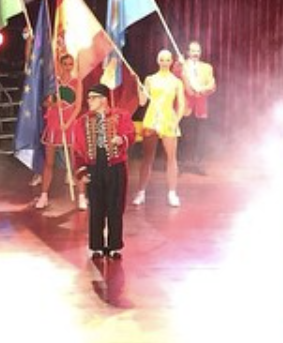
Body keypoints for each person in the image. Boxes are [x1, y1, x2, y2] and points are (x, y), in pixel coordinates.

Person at [71, 84, 136, 259]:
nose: (89, 101)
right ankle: (96, 245)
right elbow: (77, 148)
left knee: (115, 206)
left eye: (93, 97)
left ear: (103, 99)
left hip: (115, 166)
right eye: (89, 98)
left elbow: (131, 134)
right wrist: (82, 171)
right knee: (97, 206)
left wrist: (121, 139)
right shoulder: (82, 121)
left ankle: (114, 244)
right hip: (94, 164)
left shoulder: (121, 116)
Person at [132, 49, 187, 207]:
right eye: (162, 59)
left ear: (171, 61)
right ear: (158, 61)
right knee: (147, 158)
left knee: (171, 158)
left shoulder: (176, 82)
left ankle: (172, 193)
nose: (164, 62)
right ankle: (141, 192)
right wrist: (138, 85)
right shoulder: (150, 79)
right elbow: (142, 102)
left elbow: (181, 105)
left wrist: (176, 121)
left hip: (168, 119)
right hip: (152, 119)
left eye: (167, 59)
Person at [35, 53, 86, 210]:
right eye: (65, 64)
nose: (68, 67)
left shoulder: (77, 82)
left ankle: (82, 197)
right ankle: (43, 195)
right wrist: (52, 104)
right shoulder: (53, 82)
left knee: (75, 162)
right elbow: (45, 102)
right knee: (49, 163)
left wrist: (68, 124)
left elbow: (78, 107)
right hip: (54, 124)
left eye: (71, 64)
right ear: (60, 65)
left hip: (69, 124)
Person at [177, 40, 217, 175]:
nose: (195, 53)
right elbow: (175, 75)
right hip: (185, 107)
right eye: (193, 51)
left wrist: (202, 90)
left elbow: (212, 86)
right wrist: (178, 64)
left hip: (201, 108)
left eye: (198, 51)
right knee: (183, 137)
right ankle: (181, 164)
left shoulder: (207, 67)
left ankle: (198, 164)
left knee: (201, 138)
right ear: (188, 52)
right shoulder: (182, 65)